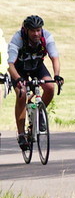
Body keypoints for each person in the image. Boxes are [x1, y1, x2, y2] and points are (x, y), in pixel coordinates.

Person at [7, 15, 63, 147]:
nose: (36, 33)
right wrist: (18, 79)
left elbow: (54, 57)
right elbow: (10, 64)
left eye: (38, 30)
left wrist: (57, 75)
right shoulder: (18, 39)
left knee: (50, 87)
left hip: (36, 66)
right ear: (26, 30)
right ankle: (21, 134)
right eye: (33, 31)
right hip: (19, 69)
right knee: (21, 94)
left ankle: (39, 115)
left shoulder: (46, 36)